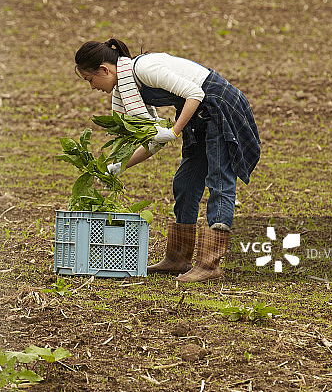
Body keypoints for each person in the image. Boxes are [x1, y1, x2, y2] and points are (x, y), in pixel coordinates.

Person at [74, 38, 260, 282]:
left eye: (90, 80)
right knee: (185, 182)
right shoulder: (129, 86)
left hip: (219, 107)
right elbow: (154, 141)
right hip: (198, 116)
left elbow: (195, 93)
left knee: (220, 181)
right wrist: (120, 166)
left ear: (104, 70)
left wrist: (173, 131)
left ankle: (210, 263)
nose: (92, 87)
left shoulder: (144, 69)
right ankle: (178, 258)